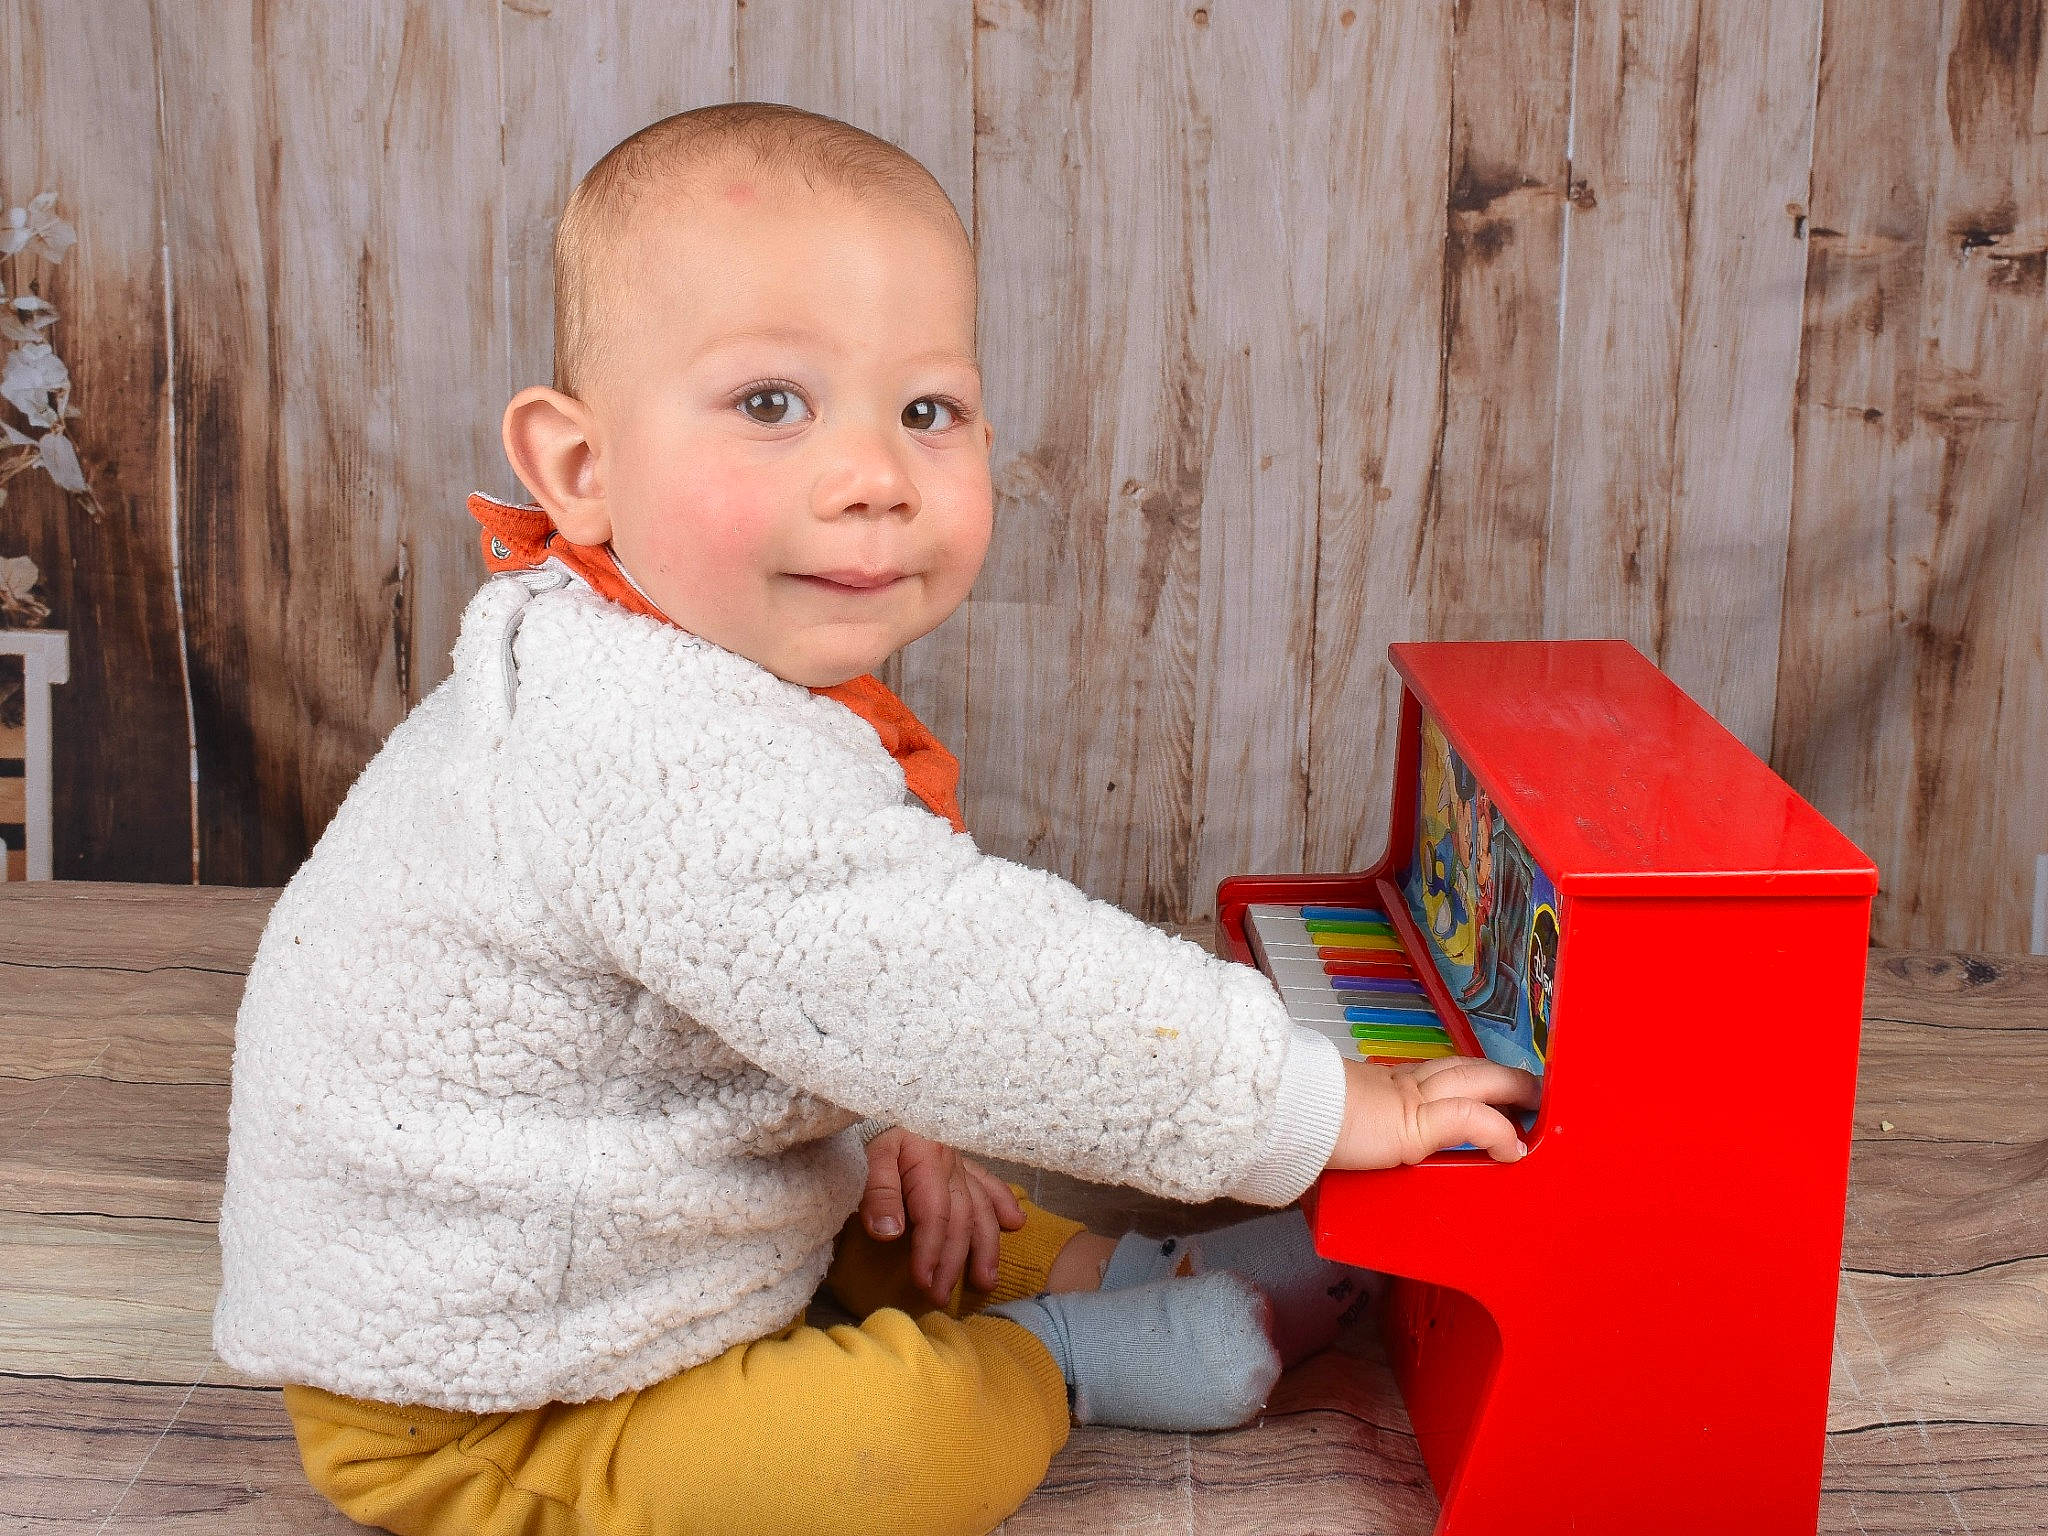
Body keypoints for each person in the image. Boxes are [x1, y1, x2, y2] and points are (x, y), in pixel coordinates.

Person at [212, 102, 1538, 1536]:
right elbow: (959, 983)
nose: (876, 477)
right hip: (502, 1392)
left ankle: (1108, 1271)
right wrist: (1309, 1099)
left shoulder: (667, 657)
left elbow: (814, 979)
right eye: (772, 403)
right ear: (580, 469)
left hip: (656, 1231)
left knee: (917, 1186)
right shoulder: (648, 749)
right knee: (891, 1452)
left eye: (928, 411)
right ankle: (1062, 1356)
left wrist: (892, 1110)